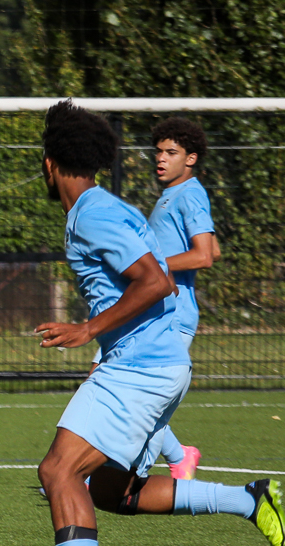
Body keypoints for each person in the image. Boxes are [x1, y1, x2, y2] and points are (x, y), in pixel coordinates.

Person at [26, 101, 285, 546]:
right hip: (155, 363)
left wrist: (88, 329)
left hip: (140, 368)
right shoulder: (101, 208)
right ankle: (249, 500)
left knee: (58, 472)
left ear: (50, 164)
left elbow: (155, 281)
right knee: (111, 492)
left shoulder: (95, 213)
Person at [88, 118, 221, 480]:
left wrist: (151, 267)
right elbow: (214, 248)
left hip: (173, 315)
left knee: (121, 389)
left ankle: (91, 476)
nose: (161, 158)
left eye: (171, 152)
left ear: (191, 158)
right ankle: (177, 456)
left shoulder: (190, 193)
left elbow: (204, 256)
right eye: (159, 151)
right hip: (151, 311)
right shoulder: (173, 195)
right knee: (105, 380)